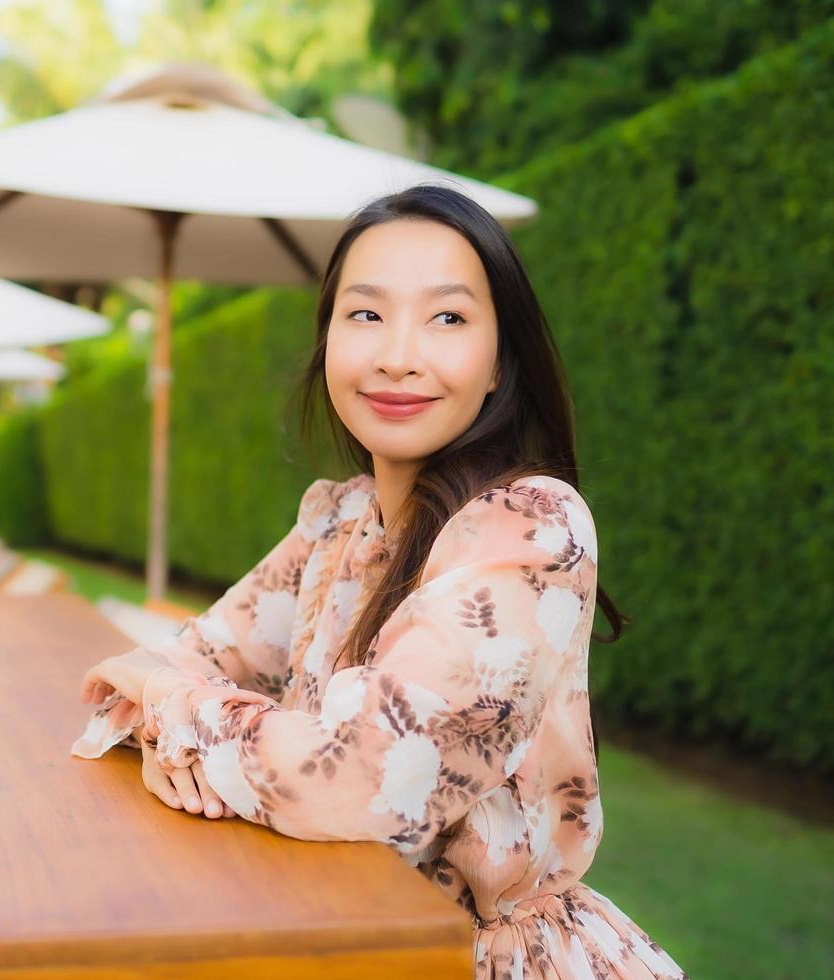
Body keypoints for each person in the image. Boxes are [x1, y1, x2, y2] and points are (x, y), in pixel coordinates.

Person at [70, 184, 687, 979]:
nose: (399, 354)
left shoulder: (531, 531)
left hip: (474, 959)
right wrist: (189, 715)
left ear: (501, 362)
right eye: (365, 314)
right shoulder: (337, 521)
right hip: (330, 932)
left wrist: (177, 717)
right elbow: (194, 656)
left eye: (448, 318)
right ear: (328, 337)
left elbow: (364, 775)